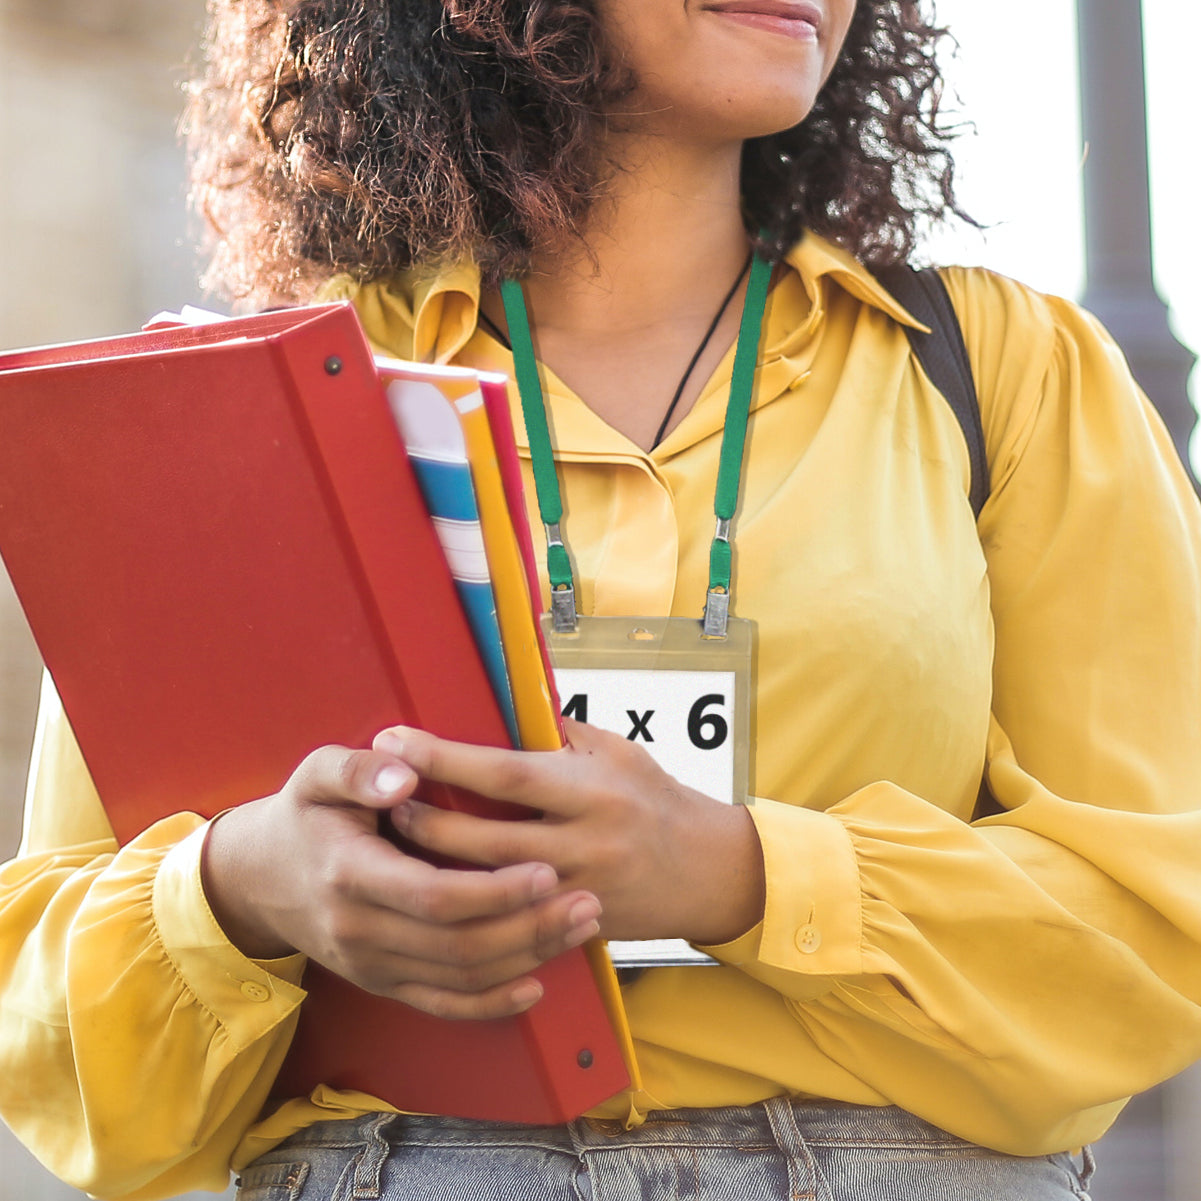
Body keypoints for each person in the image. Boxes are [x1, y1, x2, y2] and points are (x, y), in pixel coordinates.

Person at [3, 0, 1201, 1198]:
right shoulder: (253, 408)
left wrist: (741, 874)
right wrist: (243, 887)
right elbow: (52, 1046)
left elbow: (1165, 925)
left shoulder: (1010, 372)